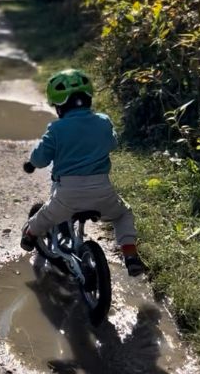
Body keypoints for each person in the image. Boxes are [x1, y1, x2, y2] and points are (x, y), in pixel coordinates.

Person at [20, 68, 144, 276]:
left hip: (68, 195)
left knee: (46, 215)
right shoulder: (103, 121)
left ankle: (30, 235)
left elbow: (40, 158)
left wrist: (31, 163)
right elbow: (112, 143)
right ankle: (130, 253)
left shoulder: (56, 129)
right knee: (123, 213)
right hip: (102, 192)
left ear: (59, 106)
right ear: (88, 98)